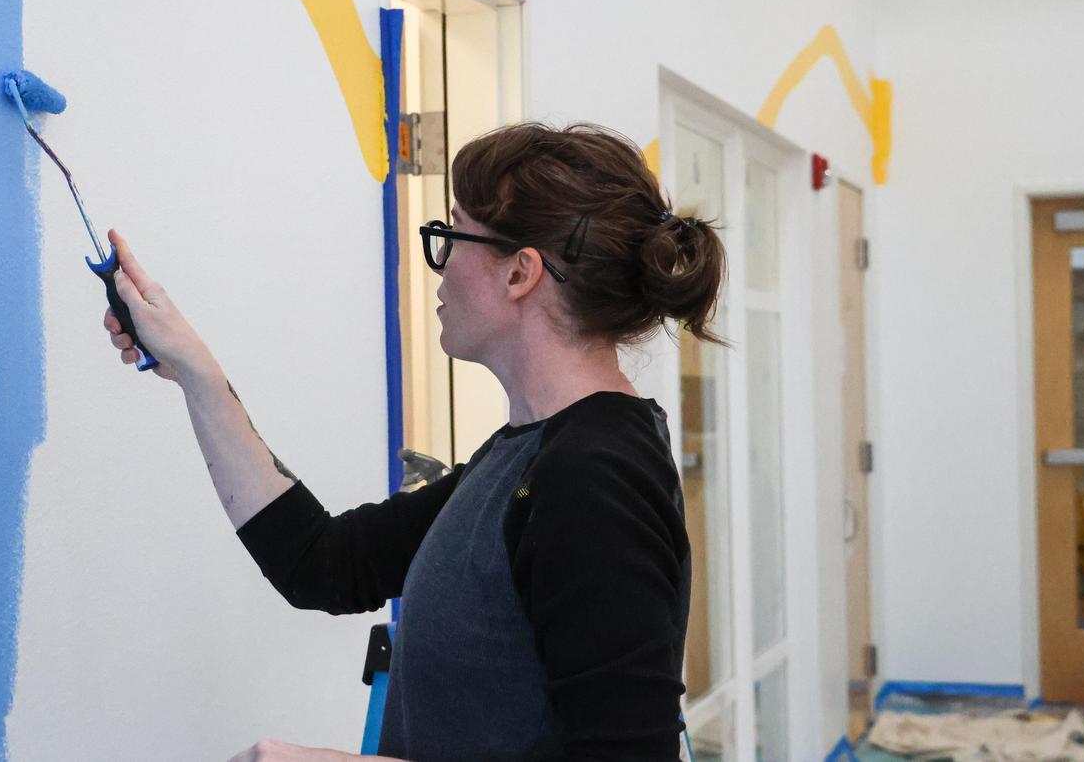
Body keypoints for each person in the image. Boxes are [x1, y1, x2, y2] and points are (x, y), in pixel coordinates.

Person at [103, 122, 725, 762]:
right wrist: (196, 373)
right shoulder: (527, 455)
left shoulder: (594, 477)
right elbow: (324, 563)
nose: (442, 262)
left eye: (452, 236)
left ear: (520, 273)